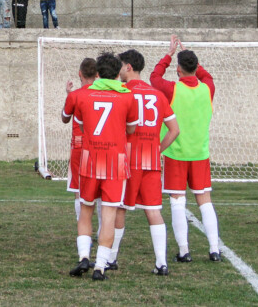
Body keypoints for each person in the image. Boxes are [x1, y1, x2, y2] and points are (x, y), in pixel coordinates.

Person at [150, 35, 221, 262]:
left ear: (178, 69)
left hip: (176, 153)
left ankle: (184, 250)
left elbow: (154, 77)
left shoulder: (172, 89)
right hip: (200, 154)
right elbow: (206, 75)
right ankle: (214, 249)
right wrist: (189, 54)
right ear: (195, 67)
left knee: (177, 201)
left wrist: (169, 54)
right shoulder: (207, 88)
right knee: (205, 201)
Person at [68, 52, 137, 281]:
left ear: (97, 73)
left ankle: (83, 257)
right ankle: (100, 267)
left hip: (90, 158)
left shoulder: (82, 95)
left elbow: (79, 124)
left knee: (85, 209)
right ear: (118, 74)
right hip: (115, 161)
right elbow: (131, 130)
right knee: (108, 214)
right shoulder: (128, 96)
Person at [114, 49, 180, 276]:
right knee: (153, 210)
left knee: (119, 207)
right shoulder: (157, 94)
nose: (119, 70)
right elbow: (174, 130)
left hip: (129, 158)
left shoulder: (122, 92)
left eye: (121, 66)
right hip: (151, 159)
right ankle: (161, 263)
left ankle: (111, 258)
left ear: (128, 67)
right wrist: (157, 148)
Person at [61, 59, 101, 226]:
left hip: (79, 146)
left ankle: (82, 230)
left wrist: (68, 95)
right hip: (100, 146)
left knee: (79, 191)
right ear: (97, 75)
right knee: (100, 192)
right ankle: (102, 230)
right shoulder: (104, 94)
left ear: (80, 73)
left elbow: (64, 118)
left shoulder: (75, 95)